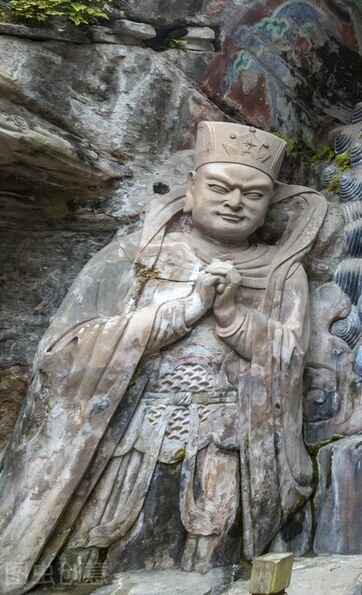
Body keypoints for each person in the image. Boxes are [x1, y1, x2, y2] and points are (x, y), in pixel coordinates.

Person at [0, 122, 326, 592]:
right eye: (219, 188)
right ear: (190, 192)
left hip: (225, 434)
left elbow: (289, 361)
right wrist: (184, 310)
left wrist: (231, 314)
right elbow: (64, 351)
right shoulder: (136, 255)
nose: (235, 202)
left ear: (270, 205)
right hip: (129, 429)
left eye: (253, 195)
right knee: (97, 538)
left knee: (209, 545)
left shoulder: (281, 274)